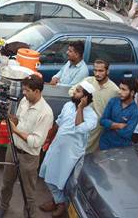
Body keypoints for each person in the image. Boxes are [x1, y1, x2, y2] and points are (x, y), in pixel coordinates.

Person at [0, 74, 54, 218]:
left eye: (27, 90)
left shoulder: (46, 113)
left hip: (29, 157)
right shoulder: (24, 102)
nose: (23, 93)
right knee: (7, 183)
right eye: (23, 90)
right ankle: (3, 205)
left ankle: (28, 214)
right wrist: (8, 116)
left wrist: (15, 131)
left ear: (37, 91)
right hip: (12, 149)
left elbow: (36, 142)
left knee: (28, 192)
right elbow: (18, 120)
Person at [38, 81, 97, 216]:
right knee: (48, 174)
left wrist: (81, 108)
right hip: (56, 147)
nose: (74, 93)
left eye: (78, 91)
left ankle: (60, 203)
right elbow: (58, 122)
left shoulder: (92, 116)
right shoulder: (68, 105)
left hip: (71, 154)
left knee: (62, 180)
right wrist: (47, 138)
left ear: (85, 97)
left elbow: (79, 126)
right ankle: (58, 200)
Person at [65, 60, 120, 153]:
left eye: (101, 71)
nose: (97, 74)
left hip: (96, 129)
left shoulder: (114, 90)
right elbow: (72, 91)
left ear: (108, 71)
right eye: (95, 70)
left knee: (88, 154)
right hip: (79, 120)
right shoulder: (88, 81)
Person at [98, 78, 138, 150]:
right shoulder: (113, 101)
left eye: (124, 89)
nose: (120, 92)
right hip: (105, 144)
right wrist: (118, 125)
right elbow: (102, 121)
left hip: (121, 148)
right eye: (120, 88)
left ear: (132, 93)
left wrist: (110, 125)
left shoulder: (136, 111)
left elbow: (126, 133)